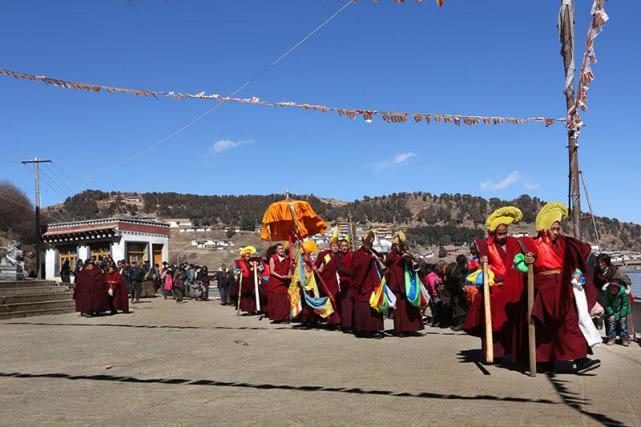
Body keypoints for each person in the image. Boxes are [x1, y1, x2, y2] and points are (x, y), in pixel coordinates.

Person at [523, 202, 601, 374]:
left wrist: (578, 275)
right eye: (554, 229)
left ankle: (580, 359)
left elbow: (576, 259)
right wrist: (525, 261)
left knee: (571, 322)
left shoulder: (564, 243)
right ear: (545, 228)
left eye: (558, 228)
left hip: (565, 290)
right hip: (544, 290)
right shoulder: (532, 244)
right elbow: (519, 264)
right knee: (546, 327)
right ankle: (544, 361)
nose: (557, 232)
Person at [464, 206, 525, 362]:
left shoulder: (514, 242)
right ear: (493, 233)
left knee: (514, 320)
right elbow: (481, 250)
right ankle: (494, 353)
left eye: (505, 233)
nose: (503, 236)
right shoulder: (487, 245)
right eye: (499, 234)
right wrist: (484, 258)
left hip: (513, 288)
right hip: (496, 290)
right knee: (494, 321)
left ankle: (513, 352)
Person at [385, 231, 424, 336]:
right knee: (399, 311)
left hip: (407, 285)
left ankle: (411, 328)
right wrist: (400, 258)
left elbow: (414, 265)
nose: (399, 247)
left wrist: (409, 258)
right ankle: (400, 330)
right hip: (396, 286)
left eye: (401, 246)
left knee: (409, 308)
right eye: (397, 245)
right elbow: (387, 264)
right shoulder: (391, 255)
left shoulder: (405, 253)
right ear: (394, 246)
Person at [350, 231, 384, 338]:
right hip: (362, 286)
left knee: (374, 308)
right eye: (367, 243)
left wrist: (379, 260)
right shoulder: (357, 254)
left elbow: (383, 264)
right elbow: (356, 269)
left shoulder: (373, 253)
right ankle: (363, 330)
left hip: (374, 285)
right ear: (363, 243)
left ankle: (374, 329)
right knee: (363, 309)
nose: (369, 245)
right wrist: (369, 259)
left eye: (371, 243)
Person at [315, 230, 342, 328]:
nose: (335, 247)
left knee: (337, 301)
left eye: (336, 245)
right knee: (329, 301)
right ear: (330, 246)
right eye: (333, 245)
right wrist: (316, 270)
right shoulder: (326, 256)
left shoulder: (340, 256)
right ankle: (330, 321)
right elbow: (321, 269)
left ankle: (338, 320)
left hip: (337, 282)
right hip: (327, 282)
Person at [599, 281, 632, 346]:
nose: (613, 290)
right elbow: (607, 304)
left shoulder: (623, 293)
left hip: (621, 310)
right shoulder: (607, 293)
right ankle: (611, 338)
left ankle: (624, 338)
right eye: (611, 288)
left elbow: (625, 304)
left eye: (615, 288)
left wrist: (622, 314)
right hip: (612, 311)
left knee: (623, 323)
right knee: (611, 323)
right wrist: (611, 314)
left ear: (618, 288)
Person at [267, 243, 292, 323]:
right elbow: (272, 271)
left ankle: (285, 317)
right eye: (280, 249)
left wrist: (288, 275)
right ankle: (276, 317)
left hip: (284, 282)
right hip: (275, 281)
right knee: (276, 300)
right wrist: (281, 277)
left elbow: (289, 268)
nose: (282, 250)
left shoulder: (286, 258)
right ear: (276, 250)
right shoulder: (273, 258)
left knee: (284, 300)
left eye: (282, 248)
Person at [336, 237, 354, 333]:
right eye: (342, 246)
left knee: (352, 304)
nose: (344, 248)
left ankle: (353, 324)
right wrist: (353, 272)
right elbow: (340, 268)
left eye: (346, 246)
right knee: (346, 305)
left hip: (353, 283)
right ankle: (346, 325)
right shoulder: (338, 256)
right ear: (339, 247)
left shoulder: (351, 255)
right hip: (344, 283)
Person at [237, 246, 260, 314]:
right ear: (244, 256)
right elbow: (238, 270)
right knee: (246, 295)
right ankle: (248, 309)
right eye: (246, 256)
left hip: (252, 280)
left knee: (253, 294)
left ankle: (253, 309)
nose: (248, 257)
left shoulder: (252, 262)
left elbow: (257, 268)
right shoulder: (241, 262)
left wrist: (256, 266)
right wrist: (240, 271)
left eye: (248, 256)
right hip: (245, 281)